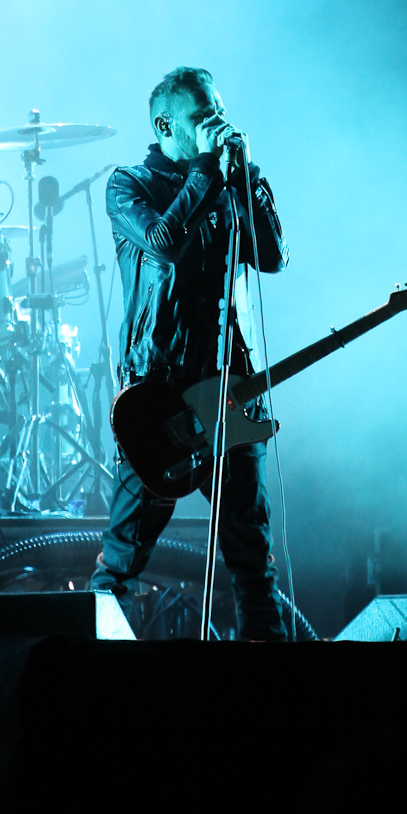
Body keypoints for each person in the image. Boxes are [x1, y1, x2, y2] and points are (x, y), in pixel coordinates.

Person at [90, 66, 290, 639]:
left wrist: (246, 178)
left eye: (219, 112)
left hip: (229, 390)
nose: (218, 124)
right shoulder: (130, 185)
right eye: (203, 116)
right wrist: (206, 169)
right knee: (123, 560)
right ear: (165, 126)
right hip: (159, 399)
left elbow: (272, 256)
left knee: (252, 559)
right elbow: (164, 244)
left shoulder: (227, 183)